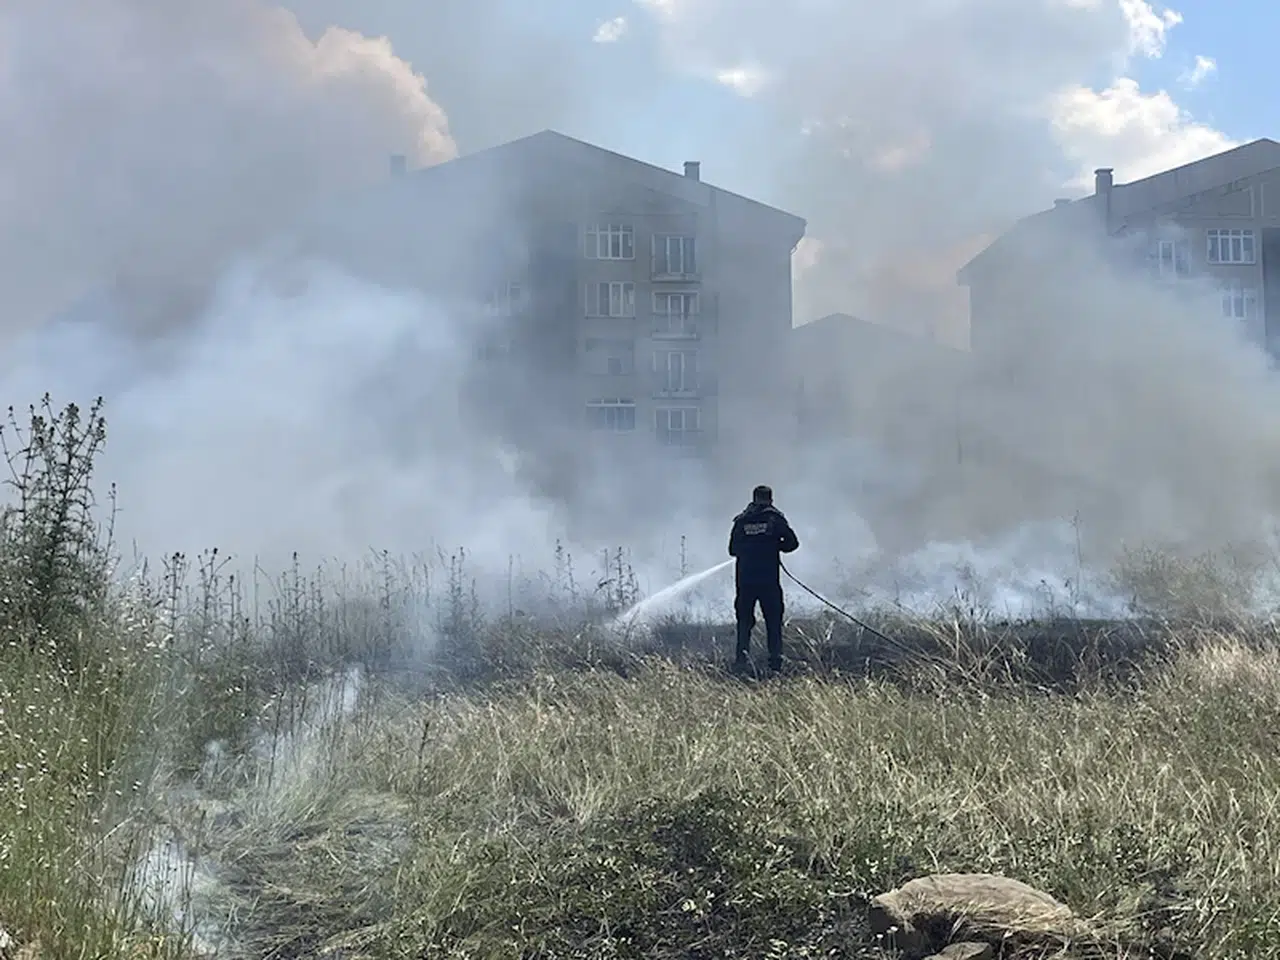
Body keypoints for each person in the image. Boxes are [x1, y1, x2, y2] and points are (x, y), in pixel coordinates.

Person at [727, 484, 799, 674]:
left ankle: (741, 661)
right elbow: (793, 543)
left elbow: (732, 550)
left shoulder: (742, 521)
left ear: (754, 498)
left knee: (744, 623)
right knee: (773, 622)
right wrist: (776, 545)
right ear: (770, 499)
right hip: (768, 581)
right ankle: (775, 664)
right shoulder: (775, 519)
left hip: (745, 582)